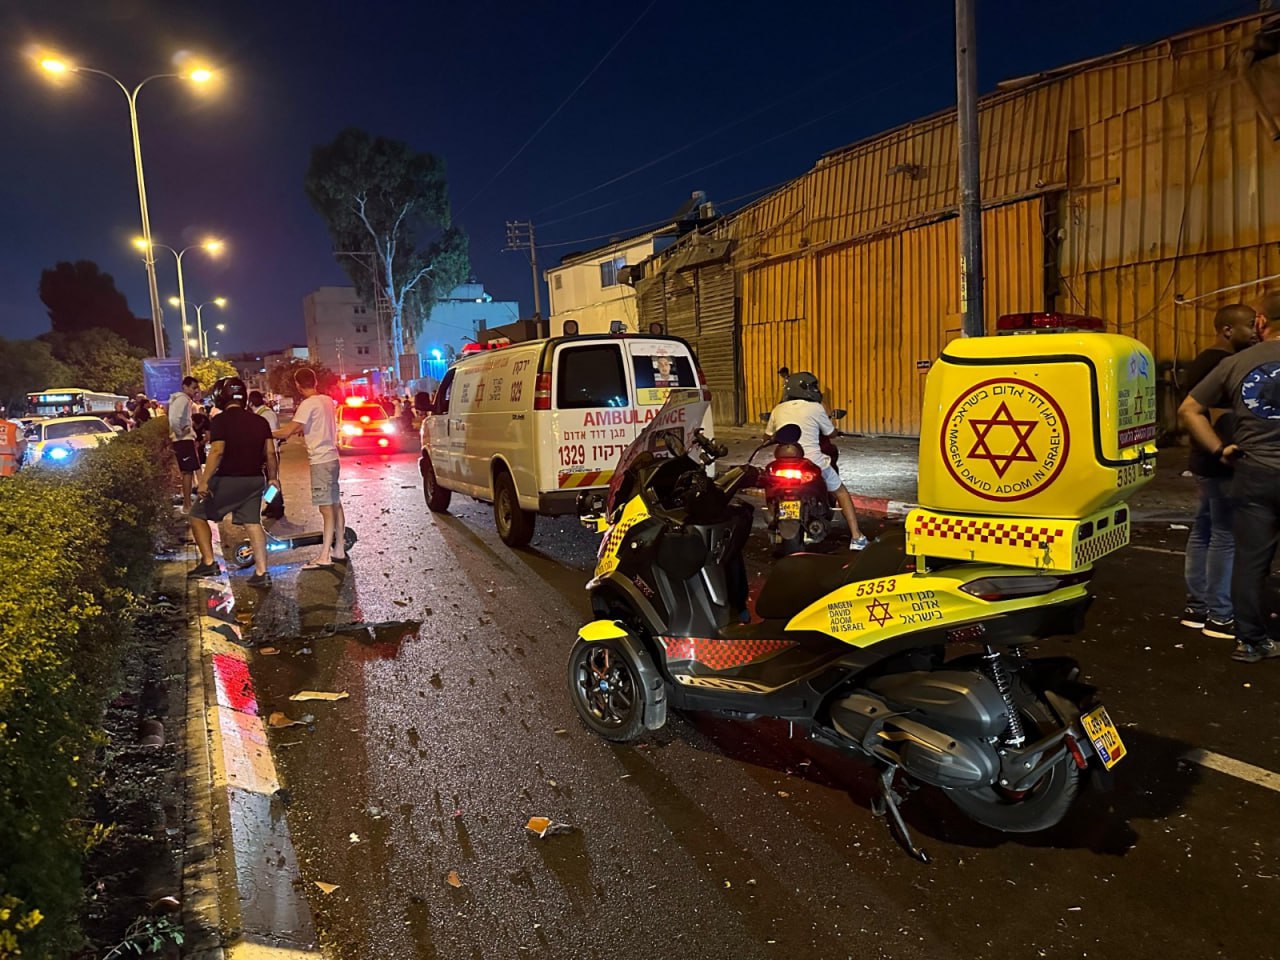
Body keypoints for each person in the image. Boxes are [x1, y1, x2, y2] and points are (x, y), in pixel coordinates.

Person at [1180, 292, 1280, 663]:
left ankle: (1251, 642)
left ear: (1260, 321)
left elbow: (1190, 409)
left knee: (1251, 561)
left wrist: (1220, 449)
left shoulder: (1237, 363)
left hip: (1254, 475)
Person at [1178, 304, 1258, 639]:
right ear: (1227, 330)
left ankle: (1197, 607)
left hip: (1202, 461)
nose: (1255, 331)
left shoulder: (1202, 361)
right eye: (1250, 325)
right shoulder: (1224, 365)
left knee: (1204, 530)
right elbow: (1213, 415)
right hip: (1221, 460)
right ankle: (1220, 615)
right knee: (1224, 535)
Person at [187, 377, 277, 587]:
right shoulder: (260, 421)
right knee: (253, 523)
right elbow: (271, 453)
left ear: (221, 397)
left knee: (196, 515)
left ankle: (208, 561)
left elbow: (217, 451)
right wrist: (273, 478)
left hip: (228, 479)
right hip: (255, 480)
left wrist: (204, 481)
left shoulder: (220, 420)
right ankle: (262, 572)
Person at [765, 371, 868, 550]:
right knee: (841, 492)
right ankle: (856, 537)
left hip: (782, 463)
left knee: (770, 487)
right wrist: (835, 430)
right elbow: (830, 433)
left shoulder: (778, 409)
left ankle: (775, 520)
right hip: (812, 462)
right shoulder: (816, 408)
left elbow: (766, 436)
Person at [275, 368, 346, 568]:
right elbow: (305, 426)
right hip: (332, 458)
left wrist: (265, 432)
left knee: (326, 508)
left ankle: (324, 555)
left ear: (298, 385)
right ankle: (339, 549)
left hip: (320, 460)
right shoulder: (326, 400)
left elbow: (287, 431)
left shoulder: (308, 404)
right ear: (315, 381)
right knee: (335, 503)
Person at [249, 390, 285, 520]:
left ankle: (277, 507)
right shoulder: (269, 413)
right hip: (272, 451)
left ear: (251, 403)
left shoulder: (263, 416)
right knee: (270, 480)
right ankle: (271, 505)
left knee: (271, 480)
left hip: (268, 452)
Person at [168, 376, 202, 512]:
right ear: (185, 387)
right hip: (183, 440)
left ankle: (187, 503)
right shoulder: (182, 399)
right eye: (193, 388)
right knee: (187, 472)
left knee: (188, 471)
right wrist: (181, 432)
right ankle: (187, 505)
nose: (195, 391)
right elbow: (174, 419)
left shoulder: (181, 399)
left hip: (184, 440)